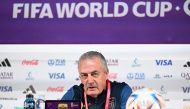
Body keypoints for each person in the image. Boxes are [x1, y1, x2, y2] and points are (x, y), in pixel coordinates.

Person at [62, 51, 132, 109]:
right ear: (80, 77)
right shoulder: (74, 94)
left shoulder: (122, 91)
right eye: (84, 75)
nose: (90, 81)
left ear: (106, 74)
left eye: (94, 74)